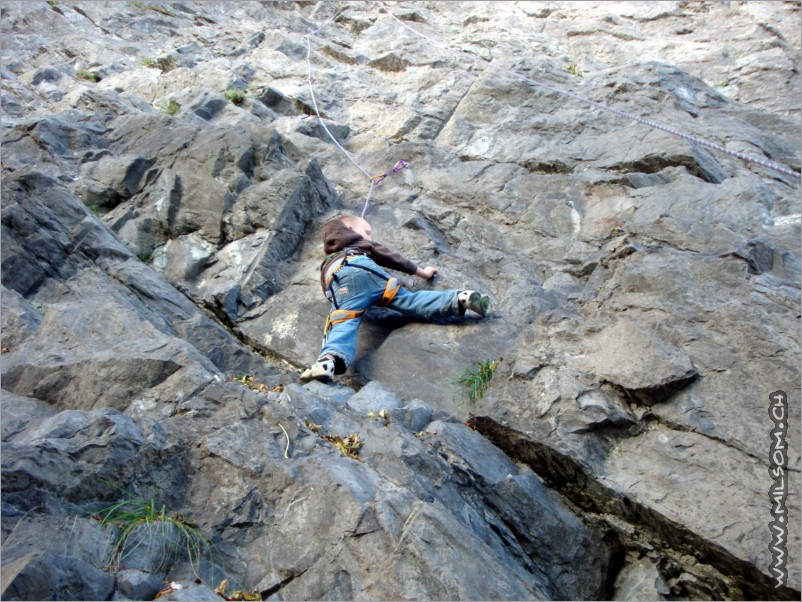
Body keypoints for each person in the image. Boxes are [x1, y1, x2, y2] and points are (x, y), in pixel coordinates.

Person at [301, 214, 490, 382]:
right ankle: (460, 298)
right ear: (348, 230)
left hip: (341, 280)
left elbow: (328, 290)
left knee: (343, 323)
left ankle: (328, 362)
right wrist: (423, 273)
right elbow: (393, 259)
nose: (370, 237)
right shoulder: (358, 243)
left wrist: (339, 304)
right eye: (367, 231)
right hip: (367, 270)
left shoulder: (327, 261)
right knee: (409, 300)